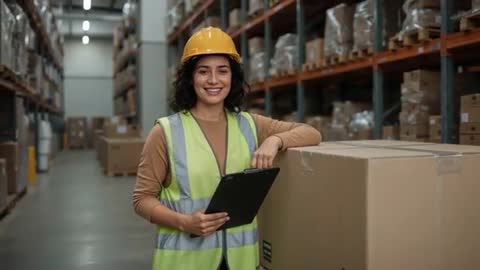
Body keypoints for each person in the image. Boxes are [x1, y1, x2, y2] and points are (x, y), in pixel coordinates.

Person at [133, 27, 321, 270]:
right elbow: (142, 199)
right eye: (203, 72)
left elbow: (312, 133)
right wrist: (184, 222)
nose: (213, 80)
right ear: (190, 78)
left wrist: (274, 141)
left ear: (233, 77)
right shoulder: (166, 132)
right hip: (186, 262)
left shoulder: (250, 125)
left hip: (239, 262)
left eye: (222, 71)